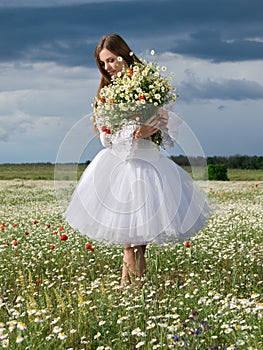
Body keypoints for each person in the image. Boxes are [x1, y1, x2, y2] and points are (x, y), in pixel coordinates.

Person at [64, 33, 211, 287]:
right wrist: (135, 132)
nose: (108, 67)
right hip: (122, 169)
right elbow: (105, 138)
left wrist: (162, 121)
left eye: (111, 60)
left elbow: (169, 136)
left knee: (140, 246)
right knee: (130, 245)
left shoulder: (148, 86)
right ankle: (134, 293)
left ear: (124, 56)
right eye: (103, 63)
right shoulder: (107, 94)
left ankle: (129, 291)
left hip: (151, 166)